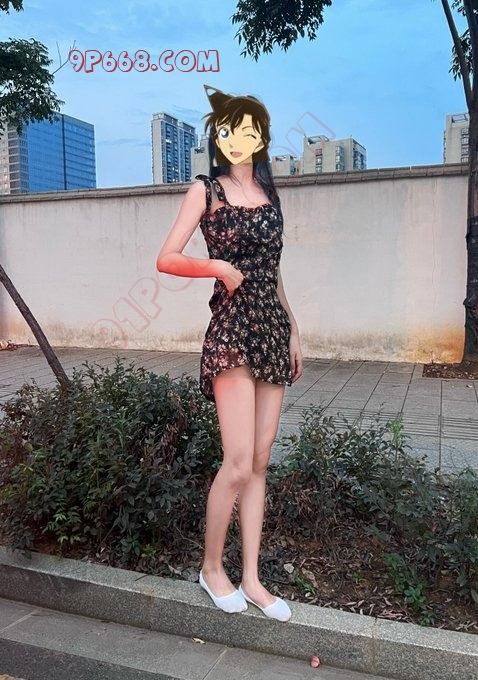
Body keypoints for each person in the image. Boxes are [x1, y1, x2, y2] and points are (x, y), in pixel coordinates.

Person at [156, 84, 303, 622]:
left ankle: (253, 579)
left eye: (247, 130)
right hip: (232, 330)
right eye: (228, 130)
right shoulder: (205, 190)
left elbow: (273, 270)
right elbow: (167, 258)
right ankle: (211, 568)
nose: (237, 138)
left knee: (260, 461)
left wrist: (293, 329)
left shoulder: (269, 192)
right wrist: (216, 267)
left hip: (270, 328)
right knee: (238, 461)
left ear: (261, 137)